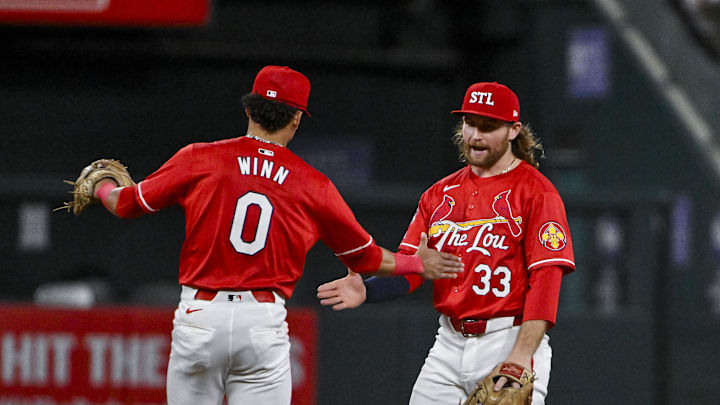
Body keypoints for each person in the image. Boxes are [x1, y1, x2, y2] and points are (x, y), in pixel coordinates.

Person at [85, 65, 464, 405]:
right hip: (261, 321)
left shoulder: (200, 157)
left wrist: (102, 185)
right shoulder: (312, 184)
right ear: (297, 119)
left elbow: (125, 204)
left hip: (200, 316)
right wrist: (418, 262)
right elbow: (366, 258)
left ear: (249, 109)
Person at [316, 82, 575, 404]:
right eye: (470, 123)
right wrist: (368, 290)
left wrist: (521, 355)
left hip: (508, 337)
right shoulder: (439, 194)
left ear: (513, 131)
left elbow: (546, 279)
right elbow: (414, 268)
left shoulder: (537, 192)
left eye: (488, 126)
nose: (475, 135)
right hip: (448, 343)